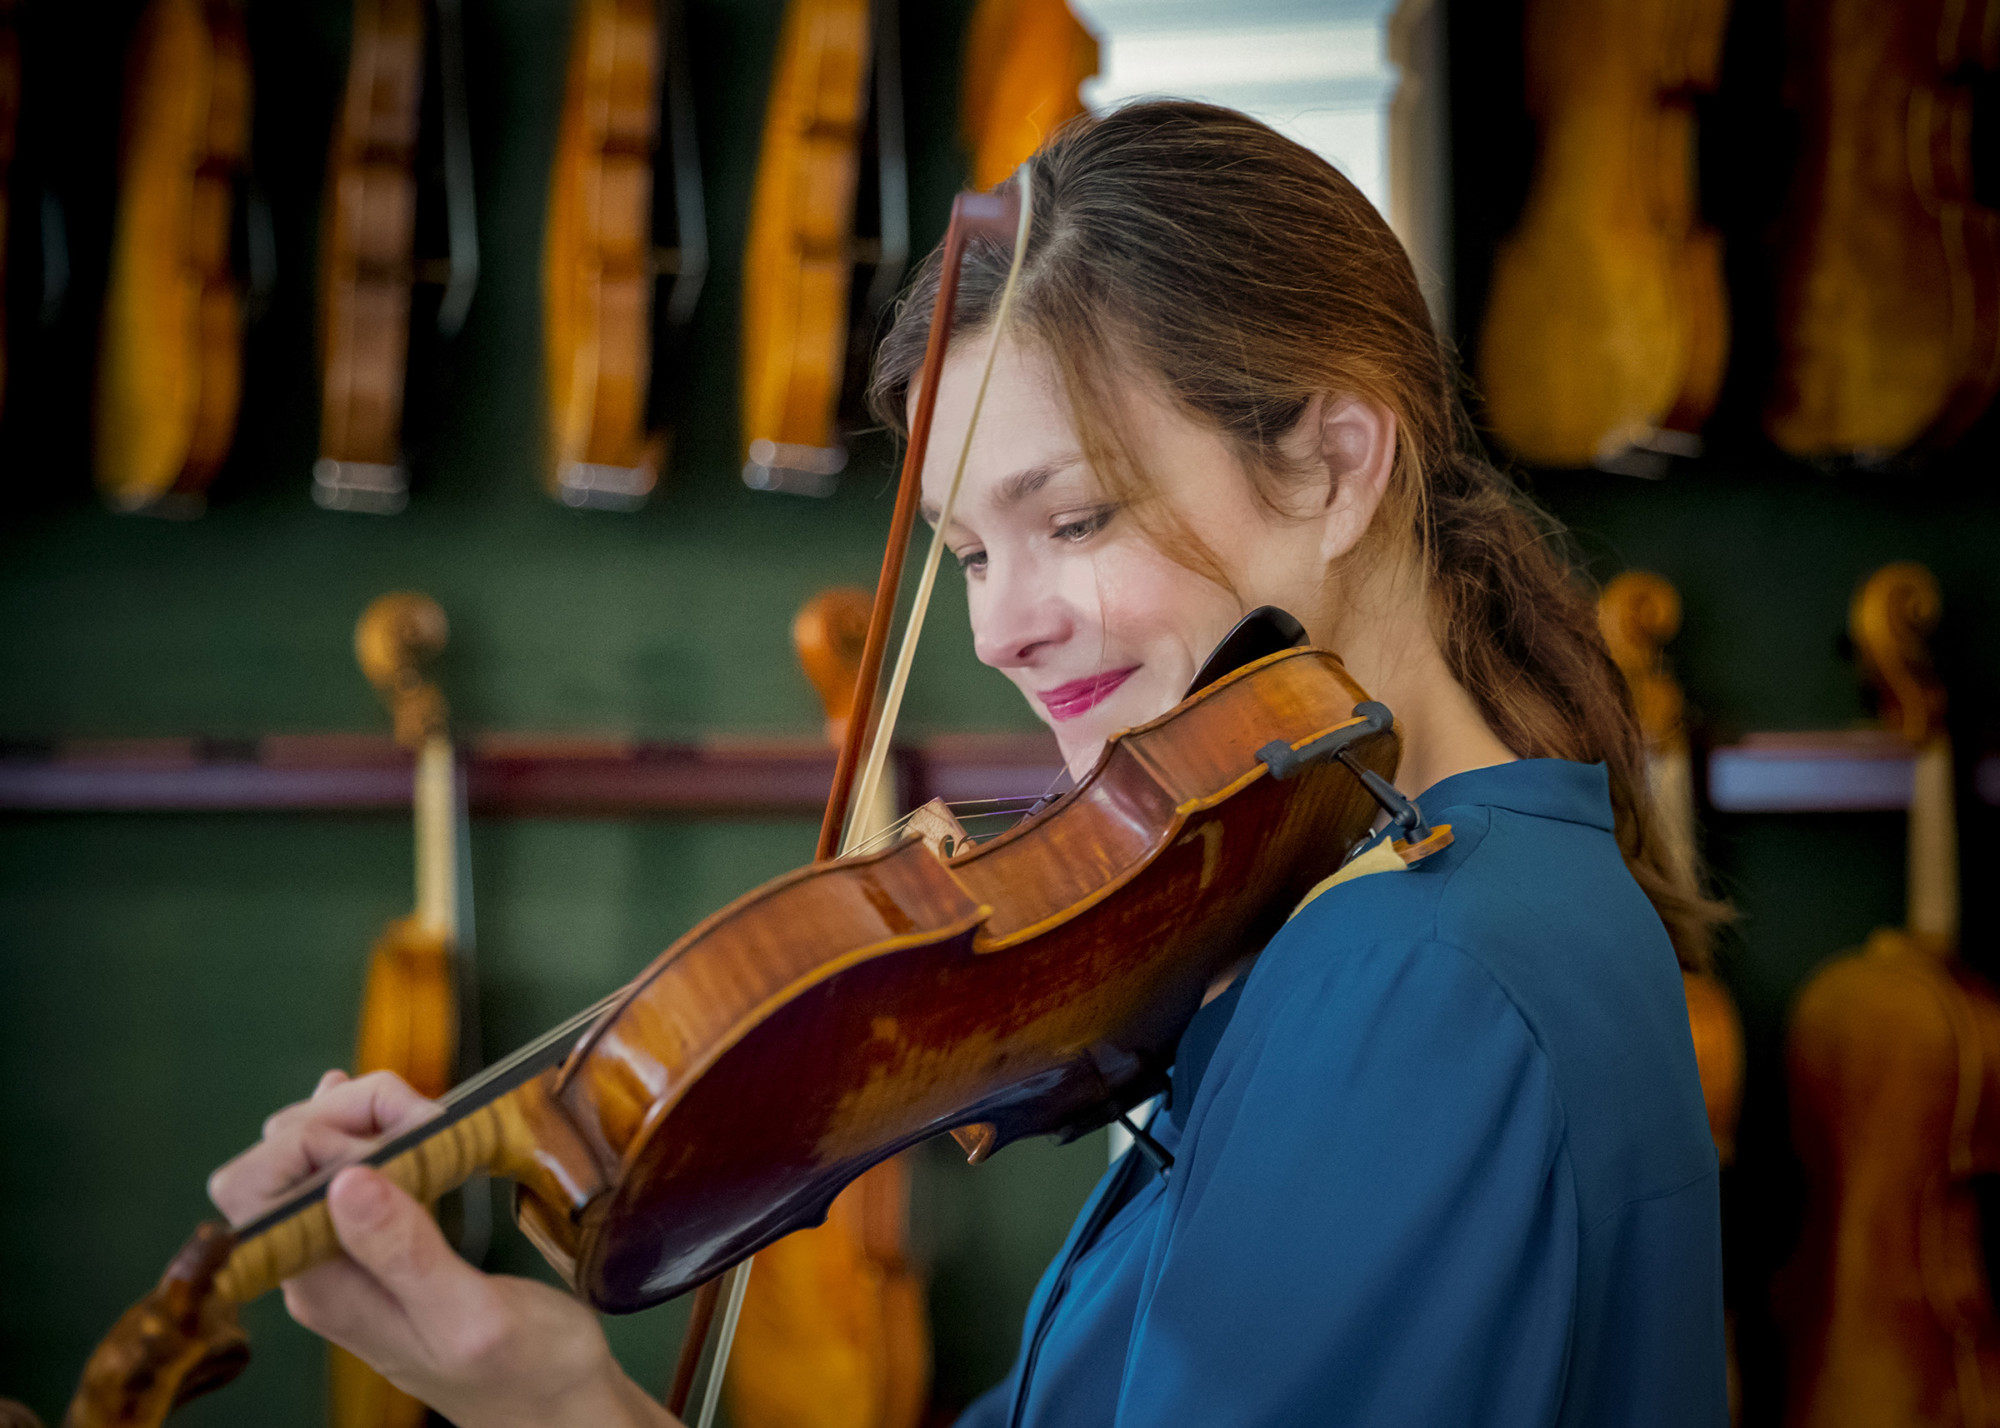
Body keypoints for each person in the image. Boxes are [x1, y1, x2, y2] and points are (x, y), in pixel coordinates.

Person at [208, 101, 1729, 1427]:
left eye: (1073, 520)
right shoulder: (1466, 891)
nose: (999, 628)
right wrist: (547, 1393)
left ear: (1335, 465)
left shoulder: (1406, 975)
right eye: (966, 550)